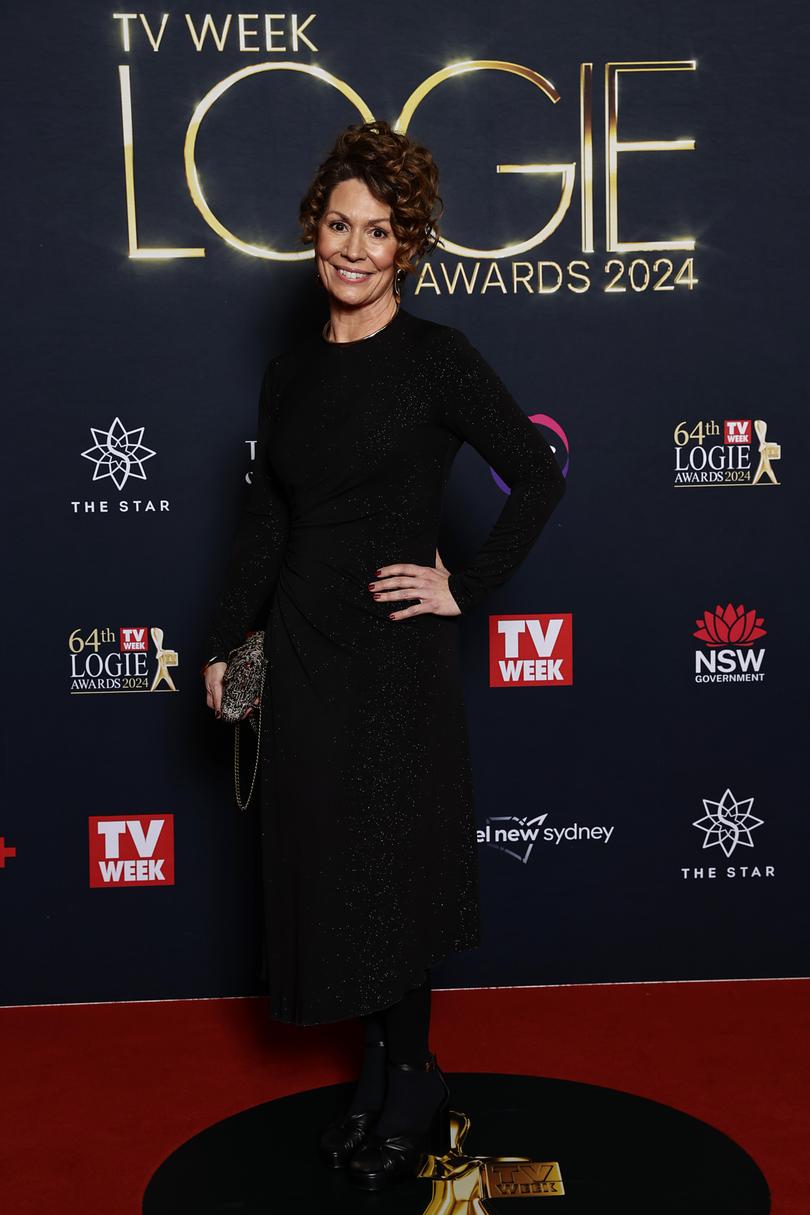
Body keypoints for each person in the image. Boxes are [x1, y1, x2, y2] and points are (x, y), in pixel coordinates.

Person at [201, 119, 566, 1190]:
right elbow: (265, 520)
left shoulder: (436, 359)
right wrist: (229, 640)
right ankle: (376, 1074)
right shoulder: (290, 371)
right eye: (339, 224)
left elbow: (537, 472)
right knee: (336, 870)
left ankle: (412, 1077)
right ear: (314, 225)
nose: (354, 249)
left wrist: (464, 583)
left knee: (394, 871)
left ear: (410, 247)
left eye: (381, 232)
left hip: (395, 656)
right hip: (306, 652)